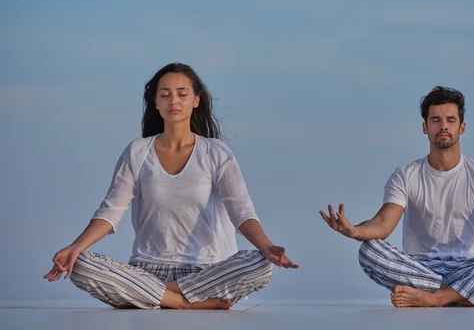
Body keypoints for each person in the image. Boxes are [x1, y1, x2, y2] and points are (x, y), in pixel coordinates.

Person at [44, 63, 298, 310]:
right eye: (164, 94)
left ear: (196, 100)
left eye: (182, 94)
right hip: (147, 269)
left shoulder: (216, 153)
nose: (173, 100)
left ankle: (154, 295)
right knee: (79, 265)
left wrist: (266, 247)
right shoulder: (137, 152)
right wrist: (75, 248)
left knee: (259, 264)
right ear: (156, 103)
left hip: (208, 272)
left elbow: (241, 211)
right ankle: (180, 302)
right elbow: (110, 212)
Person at [320, 86, 474, 308]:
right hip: (422, 268)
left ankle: (437, 298)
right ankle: (468, 296)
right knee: (368, 251)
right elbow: (383, 224)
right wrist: (353, 231)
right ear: (425, 127)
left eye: (450, 120)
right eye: (435, 120)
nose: (443, 126)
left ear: (462, 127)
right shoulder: (406, 175)